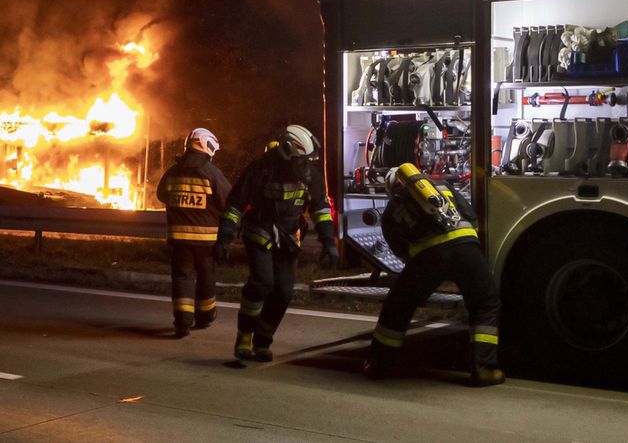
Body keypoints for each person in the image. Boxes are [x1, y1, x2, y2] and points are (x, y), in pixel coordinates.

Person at [363, 163, 505, 386]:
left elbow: (400, 250)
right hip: (467, 249)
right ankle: (483, 368)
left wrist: (422, 270)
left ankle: (380, 365)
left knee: (398, 307)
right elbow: (471, 216)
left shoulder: (392, 210)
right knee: (485, 303)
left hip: (428, 259)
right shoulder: (442, 186)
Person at [217, 124, 337, 361]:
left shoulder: (309, 174)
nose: (305, 165)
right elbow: (235, 205)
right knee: (262, 283)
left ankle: (263, 341)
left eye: (307, 160)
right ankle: (244, 336)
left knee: (283, 292)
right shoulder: (261, 170)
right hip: (259, 232)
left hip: (289, 237)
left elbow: (320, 209)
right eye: (300, 160)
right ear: (287, 150)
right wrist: (224, 238)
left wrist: (329, 243)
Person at [157, 127, 232, 338]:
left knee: (182, 277)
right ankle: (205, 316)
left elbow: (162, 194)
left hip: (179, 238)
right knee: (206, 275)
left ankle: (182, 322)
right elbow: (227, 200)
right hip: (206, 240)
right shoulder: (211, 173)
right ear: (206, 146)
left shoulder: (173, 171)